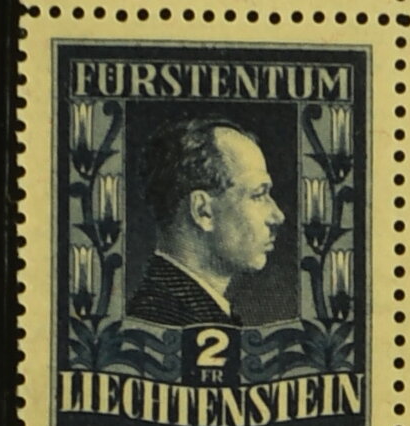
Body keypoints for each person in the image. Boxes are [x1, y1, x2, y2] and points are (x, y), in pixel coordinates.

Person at [121, 112, 291, 345]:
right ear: (203, 211)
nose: (277, 216)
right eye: (258, 195)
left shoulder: (181, 312)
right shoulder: (167, 319)